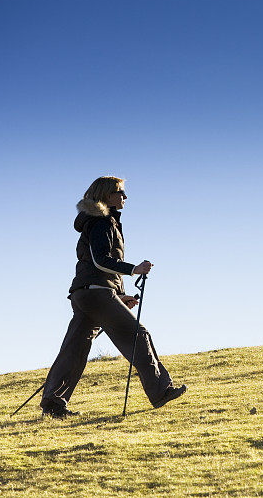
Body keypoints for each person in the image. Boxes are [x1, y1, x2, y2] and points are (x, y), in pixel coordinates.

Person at [40, 176, 186, 418]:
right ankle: (160, 391)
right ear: (105, 195)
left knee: (74, 349)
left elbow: (96, 266)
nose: (125, 197)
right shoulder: (101, 221)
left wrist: (120, 295)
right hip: (96, 295)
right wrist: (134, 269)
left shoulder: (99, 221)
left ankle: (53, 405)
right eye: (120, 192)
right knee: (138, 335)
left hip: (85, 294)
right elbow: (101, 260)